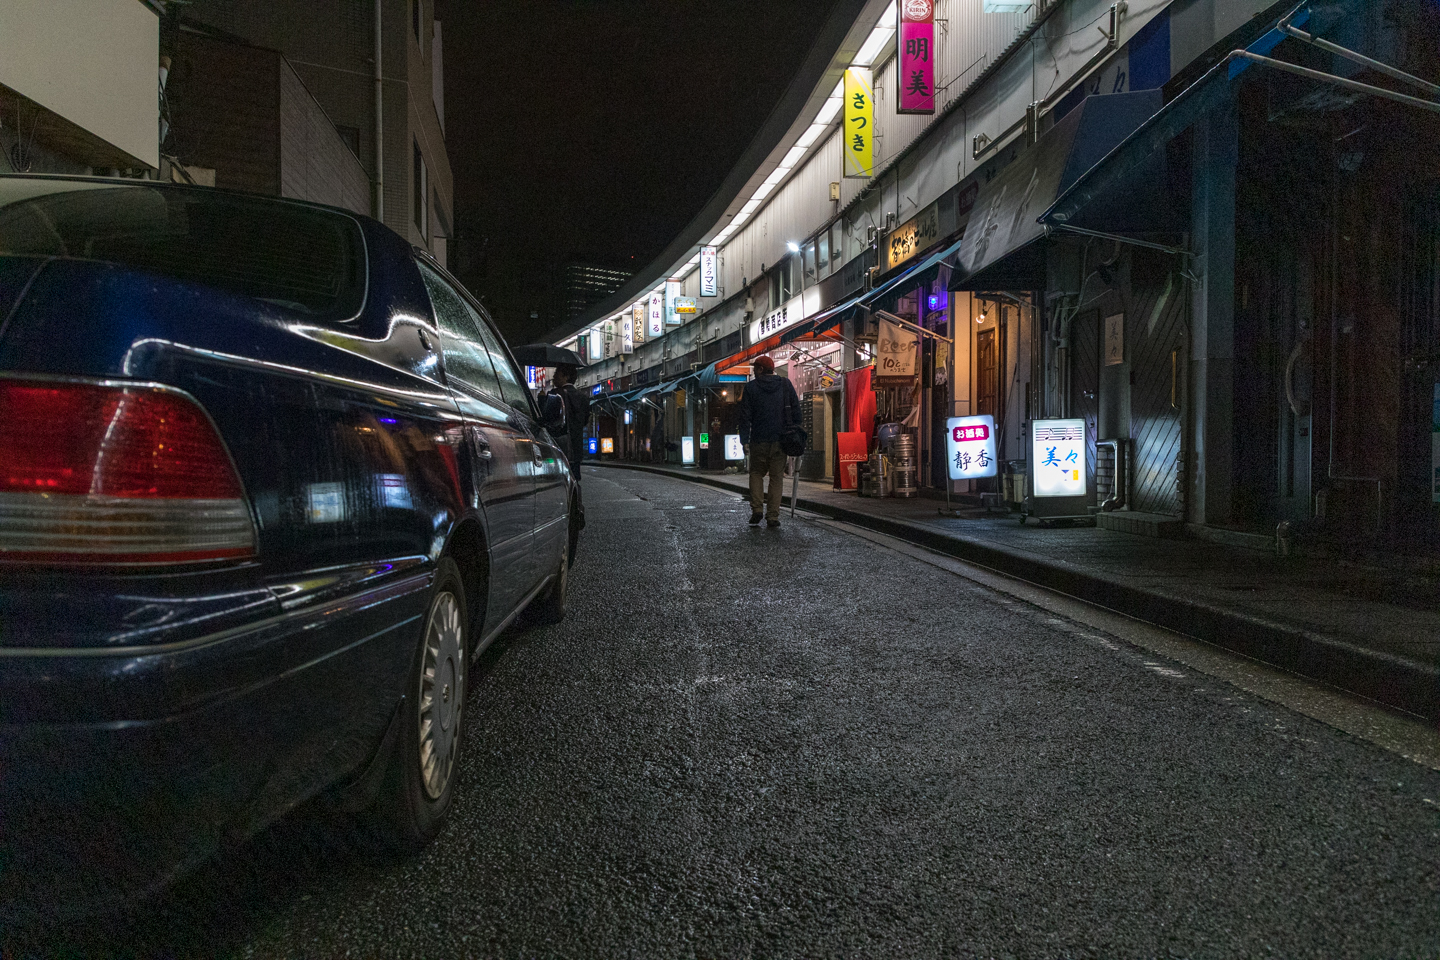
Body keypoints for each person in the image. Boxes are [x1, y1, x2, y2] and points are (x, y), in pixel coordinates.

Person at [737, 355, 799, 528]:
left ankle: (757, 509)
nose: (753, 372)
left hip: (758, 440)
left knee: (756, 473)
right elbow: (796, 412)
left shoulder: (751, 388)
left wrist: (744, 440)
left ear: (761, 369)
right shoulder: (785, 385)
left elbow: (745, 417)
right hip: (781, 440)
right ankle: (772, 516)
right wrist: (796, 433)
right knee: (776, 477)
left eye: (755, 368)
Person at [549, 364, 589, 477]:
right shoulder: (583, 397)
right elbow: (585, 421)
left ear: (566, 377)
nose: (554, 377)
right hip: (576, 446)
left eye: (557, 374)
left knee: (559, 478)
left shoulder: (554, 394)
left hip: (558, 445)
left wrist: (542, 399)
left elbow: (547, 419)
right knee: (574, 477)